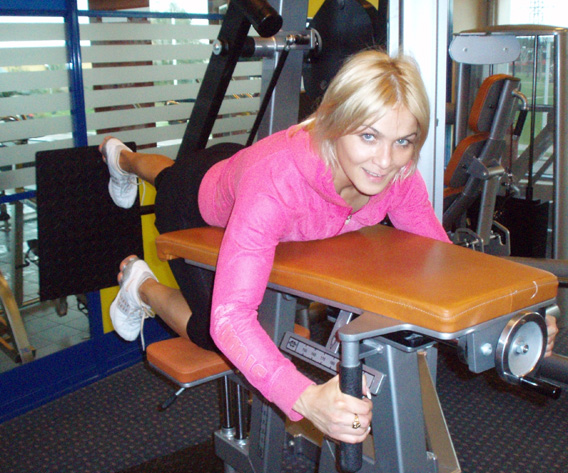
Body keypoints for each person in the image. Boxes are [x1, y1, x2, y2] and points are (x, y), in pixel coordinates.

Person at [100, 49, 558, 445]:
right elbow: (230, 317)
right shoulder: (276, 184)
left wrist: (513, 314)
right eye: (368, 136)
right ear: (334, 123)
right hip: (197, 201)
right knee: (204, 316)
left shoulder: (397, 175)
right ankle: (139, 275)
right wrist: (304, 397)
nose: (385, 161)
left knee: (173, 170)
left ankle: (127, 162)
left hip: (235, 163)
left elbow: (440, 258)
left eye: (402, 141)